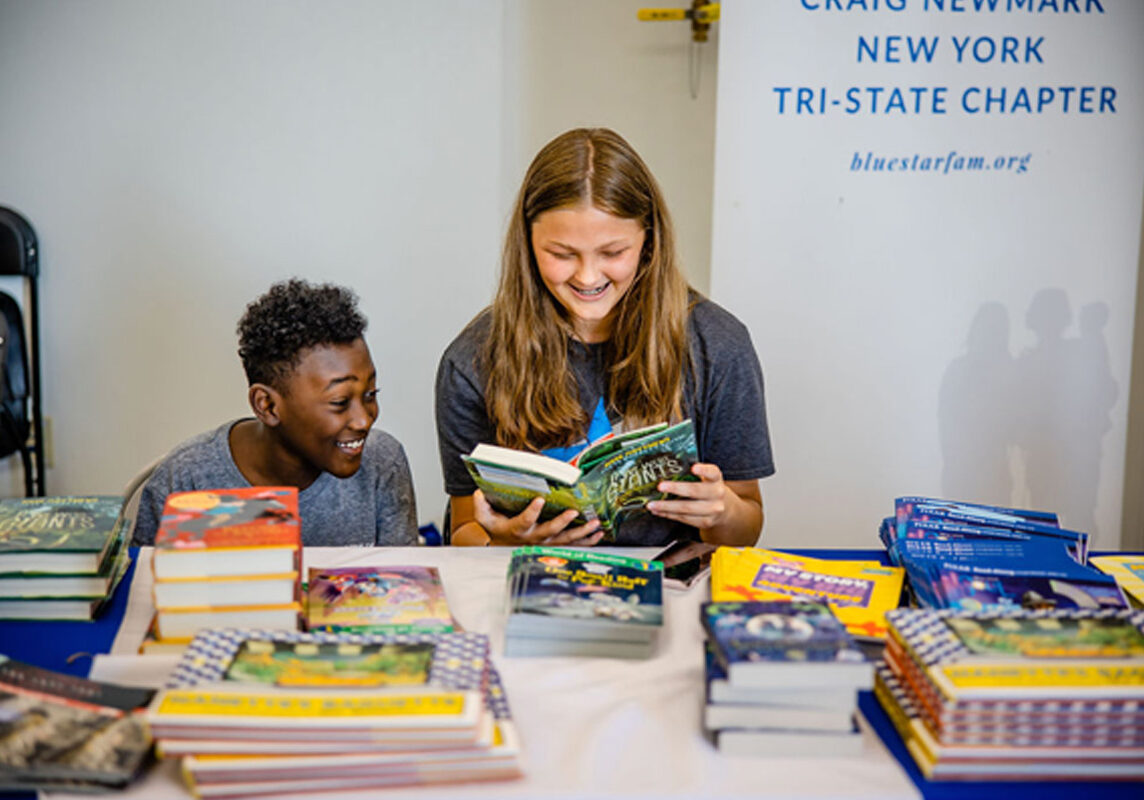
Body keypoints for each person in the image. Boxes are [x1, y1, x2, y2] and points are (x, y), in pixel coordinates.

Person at [435, 128, 773, 548]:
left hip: (671, 593)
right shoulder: (471, 361)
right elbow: (464, 528)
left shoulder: (718, 345)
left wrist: (721, 510)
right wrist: (503, 542)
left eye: (613, 253)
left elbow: (747, 526)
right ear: (527, 242)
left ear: (648, 241)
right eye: (561, 254)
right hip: (535, 588)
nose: (588, 276)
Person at [132, 279, 419, 547]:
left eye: (370, 395)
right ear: (267, 405)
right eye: (340, 402)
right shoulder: (186, 481)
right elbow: (146, 591)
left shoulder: (383, 464)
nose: (364, 420)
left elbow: (405, 588)